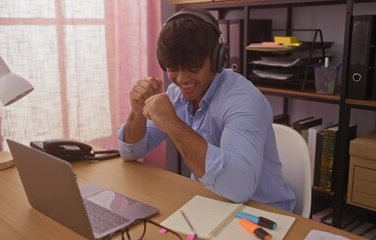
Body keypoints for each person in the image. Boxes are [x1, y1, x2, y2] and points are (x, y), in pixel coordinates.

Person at [117, 8, 296, 212]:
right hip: (210, 205)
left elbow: (239, 188)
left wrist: (173, 124)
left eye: (193, 66)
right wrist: (137, 113)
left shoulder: (243, 100)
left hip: (264, 214)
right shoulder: (176, 94)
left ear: (217, 58)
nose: (182, 79)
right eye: (173, 67)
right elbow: (130, 152)